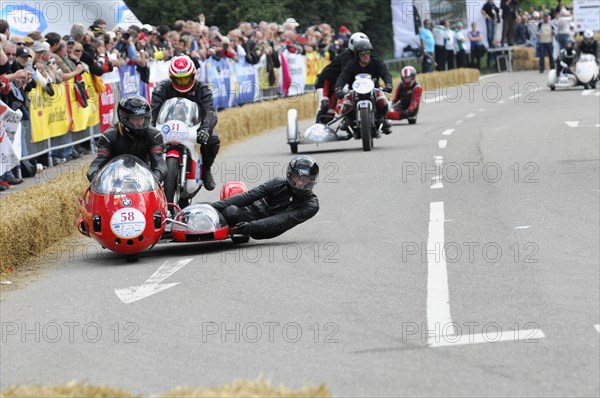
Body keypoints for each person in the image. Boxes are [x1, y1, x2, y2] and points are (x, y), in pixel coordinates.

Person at [151, 54, 219, 190]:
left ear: (193, 75)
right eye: (178, 80)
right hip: (166, 125)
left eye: (186, 79)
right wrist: (150, 128)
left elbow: (210, 111)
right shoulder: (161, 88)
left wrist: (205, 128)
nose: (183, 83)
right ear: (171, 78)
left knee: (213, 140)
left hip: (195, 125)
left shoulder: (202, 88)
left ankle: (206, 170)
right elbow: (153, 110)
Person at [210, 156, 320, 240]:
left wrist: (252, 226)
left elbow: (283, 219)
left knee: (231, 212)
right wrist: (212, 206)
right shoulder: (277, 183)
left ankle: (234, 227)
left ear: (311, 181)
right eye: (297, 178)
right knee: (231, 203)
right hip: (252, 213)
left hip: (268, 229)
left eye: (304, 180)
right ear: (290, 175)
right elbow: (249, 196)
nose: (300, 183)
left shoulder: (311, 205)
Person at [87, 95, 167, 182]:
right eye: (135, 119)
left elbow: (159, 162)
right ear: (124, 118)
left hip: (144, 180)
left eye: (142, 118)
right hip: (115, 180)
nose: (140, 123)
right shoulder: (108, 137)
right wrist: (95, 176)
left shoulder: (154, 135)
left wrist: (155, 177)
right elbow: (99, 162)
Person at [334, 39, 393, 134]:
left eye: (368, 53)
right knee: (345, 106)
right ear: (357, 55)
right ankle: (348, 121)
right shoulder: (351, 64)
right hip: (355, 91)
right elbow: (343, 76)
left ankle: (383, 119)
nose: (366, 55)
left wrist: (388, 84)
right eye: (362, 54)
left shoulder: (376, 62)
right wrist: (338, 88)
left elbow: (385, 73)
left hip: (374, 90)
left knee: (383, 101)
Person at [315, 32, 369, 123]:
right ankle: (317, 127)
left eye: (365, 45)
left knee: (330, 114)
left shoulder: (365, 56)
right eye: (360, 46)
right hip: (327, 82)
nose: (362, 48)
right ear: (353, 44)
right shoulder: (346, 55)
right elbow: (346, 74)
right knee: (325, 107)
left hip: (339, 83)